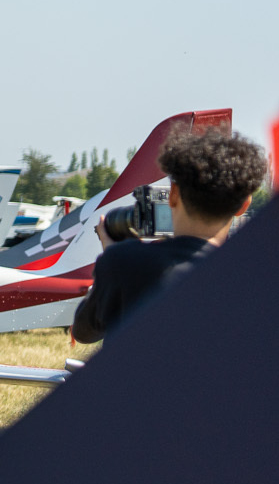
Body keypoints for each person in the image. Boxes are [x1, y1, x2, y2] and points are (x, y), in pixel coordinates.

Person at [71, 126, 266, 343]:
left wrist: (113, 259)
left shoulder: (123, 263)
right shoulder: (258, 280)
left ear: (172, 194)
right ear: (243, 205)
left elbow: (84, 332)